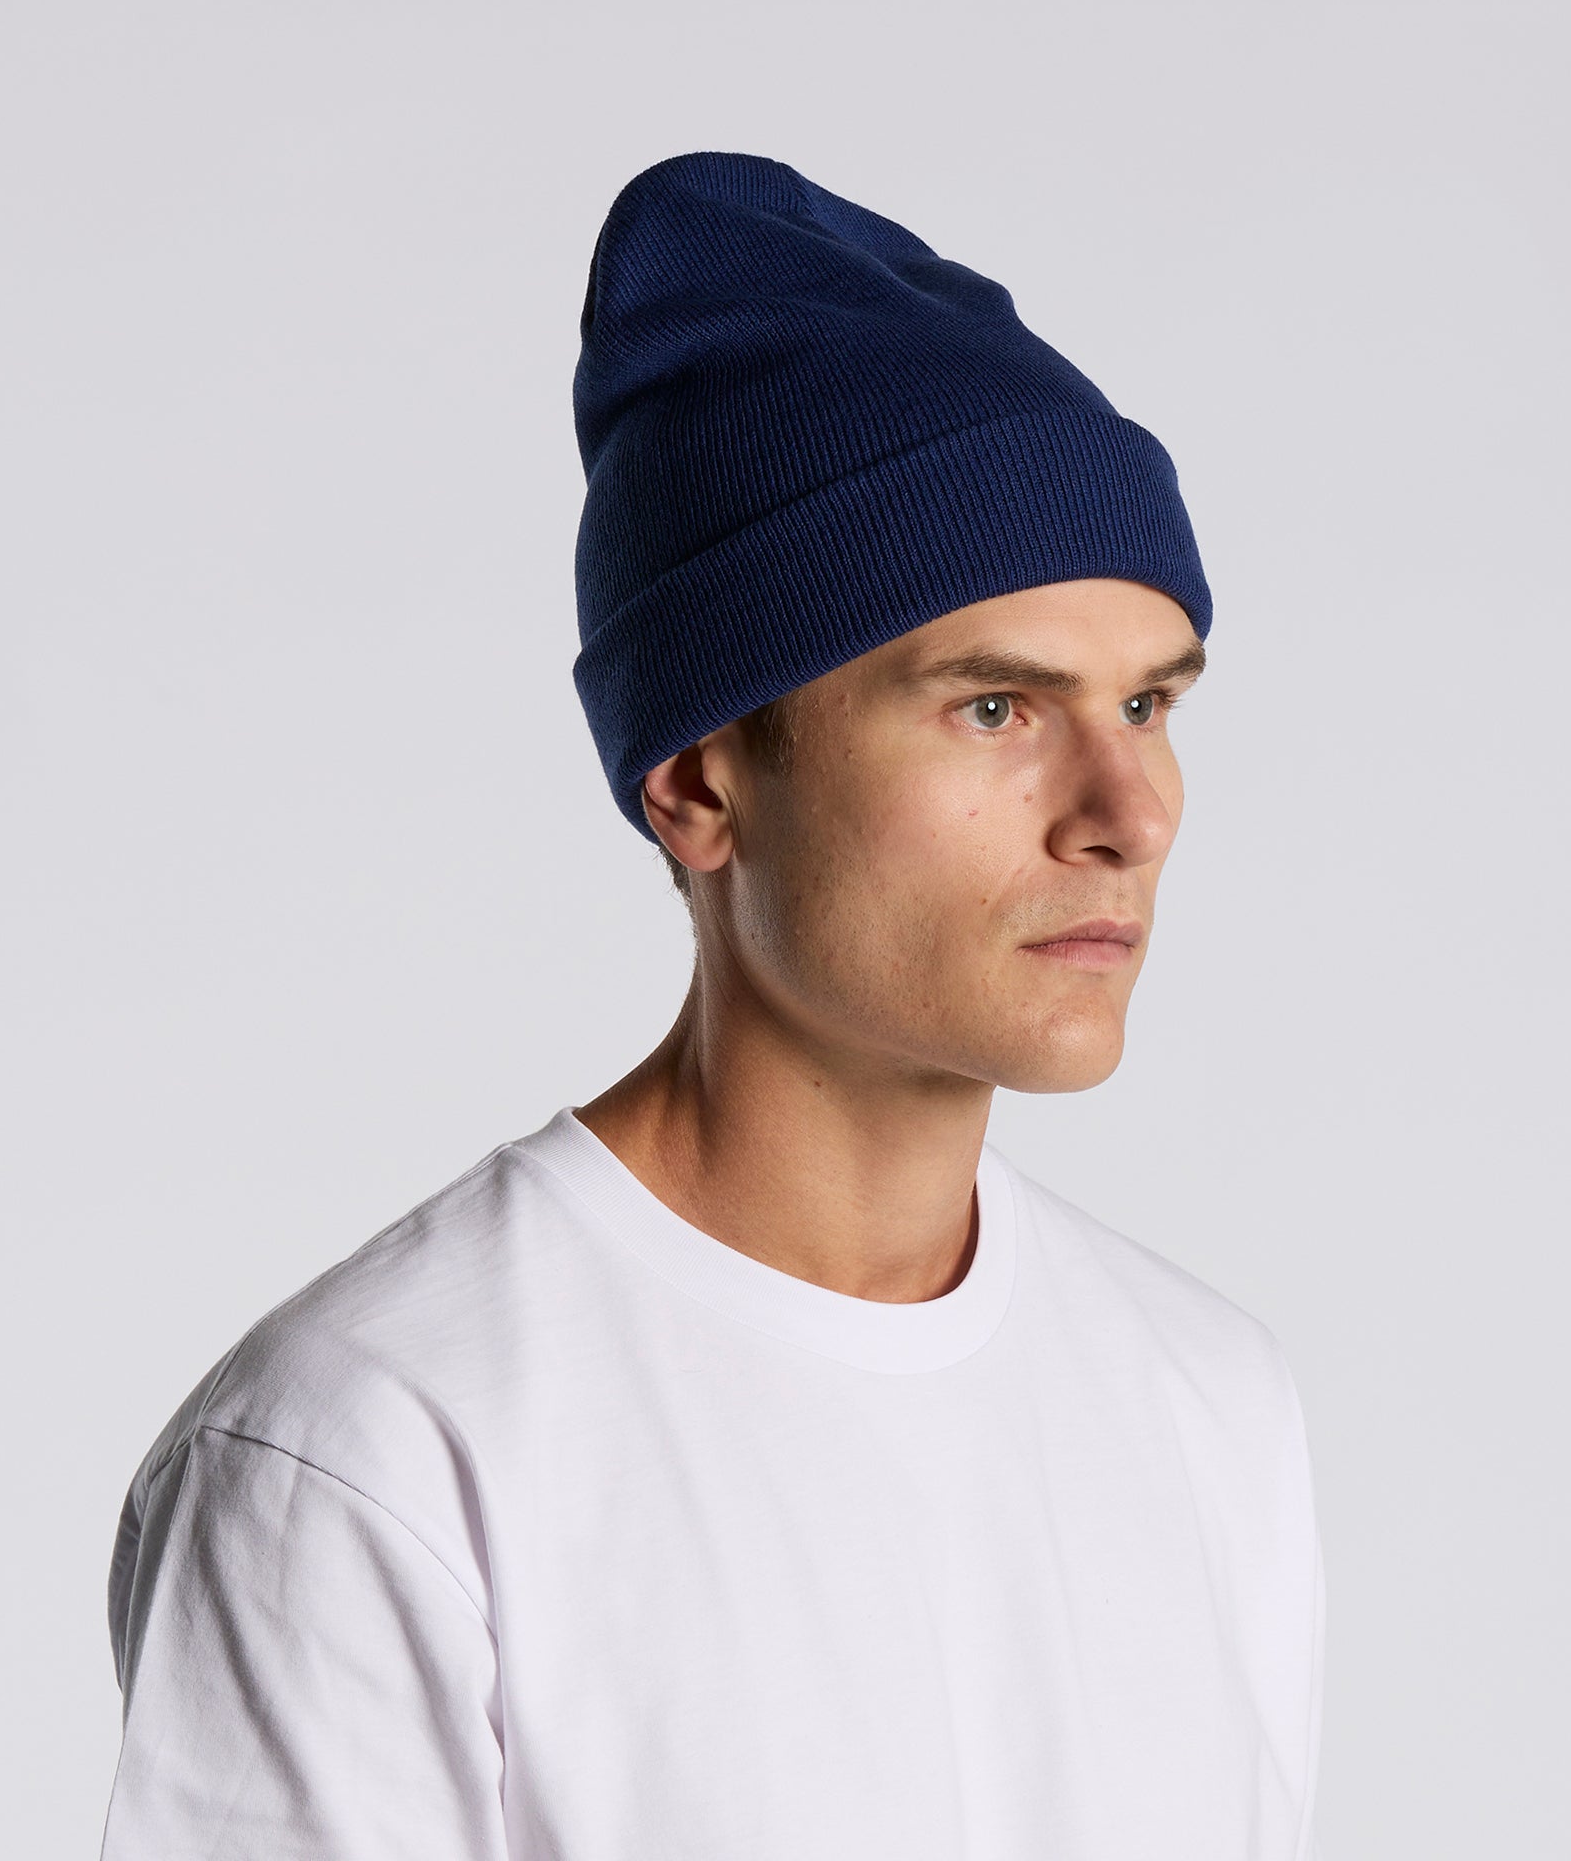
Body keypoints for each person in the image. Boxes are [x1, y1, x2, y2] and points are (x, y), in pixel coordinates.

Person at [99, 151, 1326, 1859]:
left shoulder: (1206, 1405)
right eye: (995, 708)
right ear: (698, 781)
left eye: (1149, 704)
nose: (1127, 812)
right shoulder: (382, 1445)